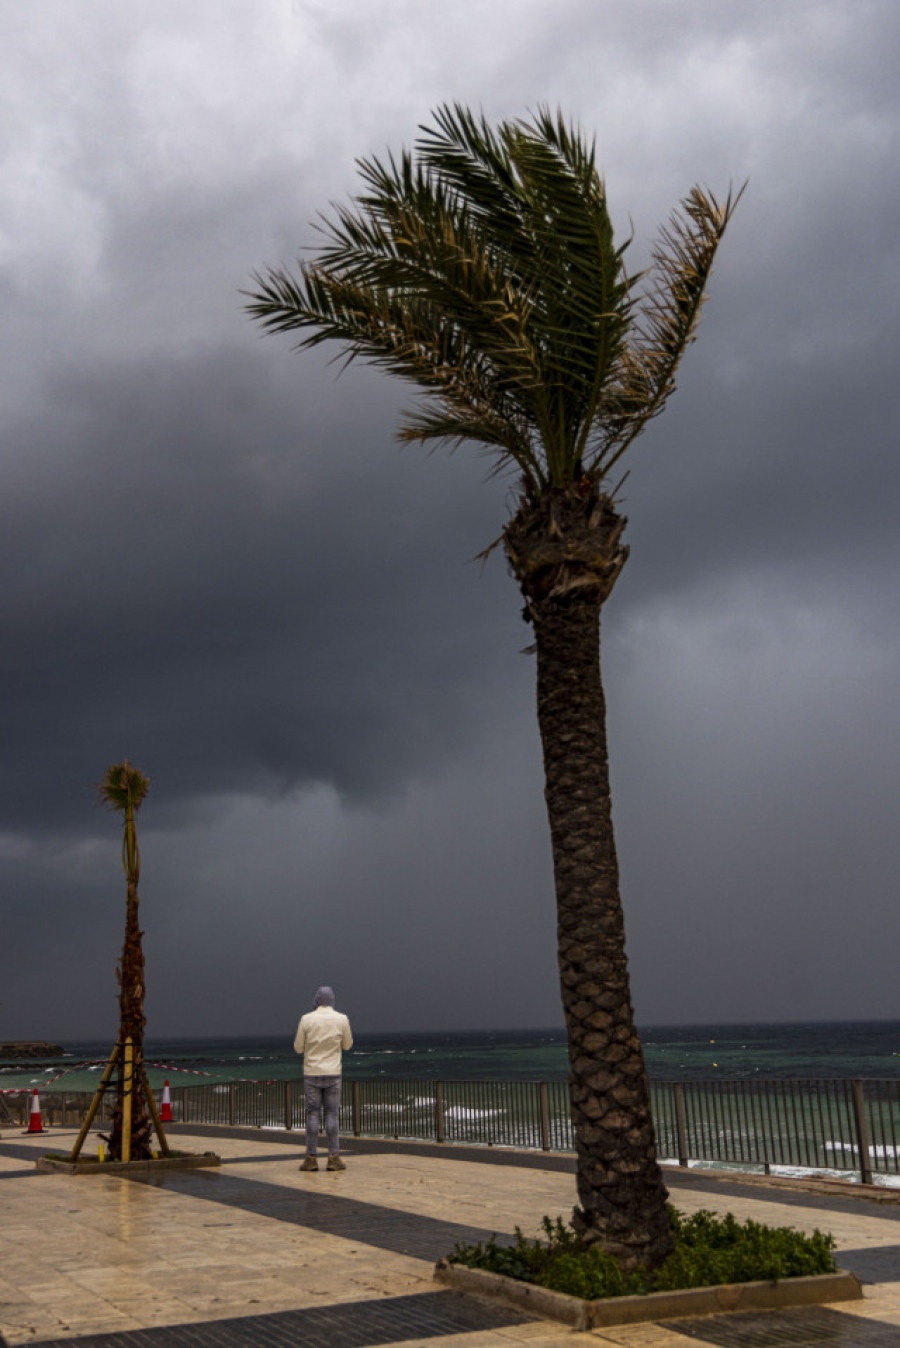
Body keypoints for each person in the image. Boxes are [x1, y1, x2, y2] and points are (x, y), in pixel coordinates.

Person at [293, 986, 353, 1171]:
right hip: (333, 1072)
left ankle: (311, 1158)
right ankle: (333, 1157)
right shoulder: (342, 1019)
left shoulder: (306, 1019)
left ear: (316, 1000)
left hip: (312, 1072)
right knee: (332, 1114)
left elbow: (298, 1048)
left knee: (312, 1114)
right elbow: (348, 1045)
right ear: (332, 1000)